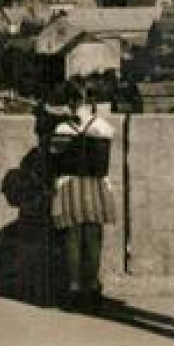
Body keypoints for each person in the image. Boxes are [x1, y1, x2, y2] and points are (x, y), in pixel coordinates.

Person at [48, 80, 117, 313]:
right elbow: (104, 163)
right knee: (93, 238)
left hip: (69, 185)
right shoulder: (104, 128)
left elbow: (56, 162)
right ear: (92, 103)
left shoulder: (62, 129)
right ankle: (93, 288)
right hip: (95, 185)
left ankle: (74, 289)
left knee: (72, 239)